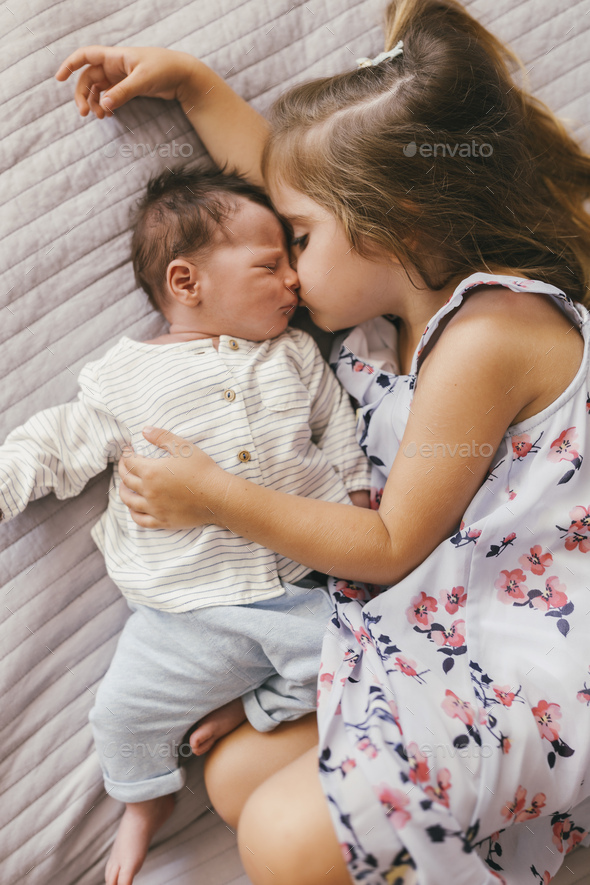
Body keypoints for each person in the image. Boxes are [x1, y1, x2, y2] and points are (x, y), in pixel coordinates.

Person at [55, 0, 590, 882]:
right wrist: (194, 86)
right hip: (437, 637)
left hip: (533, 663)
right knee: (233, 775)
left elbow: (387, 543)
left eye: (297, 241)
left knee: (281, 835)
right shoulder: (379, 335)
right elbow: (283, 181)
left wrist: (214, 496)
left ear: (391, 221)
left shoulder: (488, 335)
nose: (288, 272)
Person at [0, 164, 371, 885]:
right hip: (188, 613)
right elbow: (55, 442)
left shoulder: (294, 354)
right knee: (118, 714)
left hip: (306, 585)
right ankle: (144, 801)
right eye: (270, 265)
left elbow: (336, 424)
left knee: (354, 662)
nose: (294, 280)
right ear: (185, 281)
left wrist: (356, 492)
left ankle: (253, 708)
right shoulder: (124, 376)